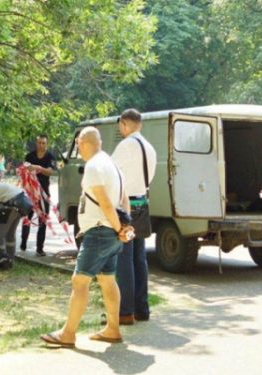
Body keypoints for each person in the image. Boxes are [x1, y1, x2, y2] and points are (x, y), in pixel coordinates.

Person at [40, 127, 131, 348]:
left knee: (79, 281)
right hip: (110, 233)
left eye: (78, 143)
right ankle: (112, 329)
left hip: (99, 232)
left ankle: (68, 334)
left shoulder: (93, 166)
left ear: (82, 142)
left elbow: (107, 204)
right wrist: (123, 228)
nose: (78, 147)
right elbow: (124, 199)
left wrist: (119, 228)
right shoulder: (111, 164)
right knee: (108, 280)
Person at [111, 108, 157, 325]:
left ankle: (125, 311)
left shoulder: (126, 145)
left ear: (124, 124)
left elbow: (110, 174)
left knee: (124, 258)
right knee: (140, 258)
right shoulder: (150, 147)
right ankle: (142, 308)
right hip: (143, 203)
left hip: (126, 207)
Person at [20, 135, 56, 256]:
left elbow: (50, 171)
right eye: (39, 143)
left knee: (43, 220)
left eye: (43, 143)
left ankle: (39, 248)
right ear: (36, 143)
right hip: (30, 193)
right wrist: (28, 168)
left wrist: (39, 168)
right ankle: (23, 243)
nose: (41, 145)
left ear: (47, 144)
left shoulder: (50, 156)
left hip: (44, 193)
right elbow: (23, 169)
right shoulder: (29, 156)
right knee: (26, 218)